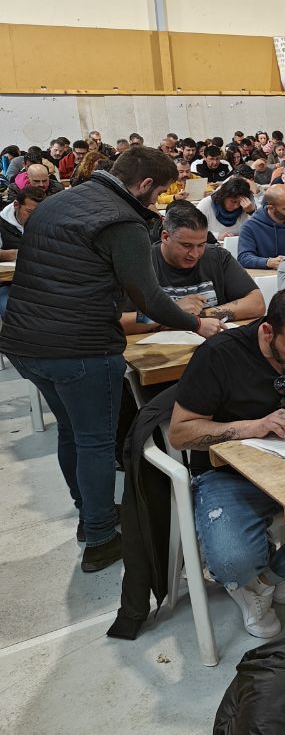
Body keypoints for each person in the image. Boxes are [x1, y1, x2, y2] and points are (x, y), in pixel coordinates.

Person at [0, 149, 221, 572]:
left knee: (72, 432)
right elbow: (149, 297)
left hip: (25, 342)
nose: (157, 203)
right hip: (79, 347)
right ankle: (101, 537)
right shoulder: (121, 220)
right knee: (96, 442)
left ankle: (90, 515)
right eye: (158, 193)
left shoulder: (61, 201)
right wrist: (196, 323)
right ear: (143, 186)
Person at [168, 288, 285, 638]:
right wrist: (252, 428)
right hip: (229, 473)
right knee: (231, 562)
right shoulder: (219, 355)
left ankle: (267, 578)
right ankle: (250, 568)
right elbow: (179, 433)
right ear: (267, 331)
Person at [121, 201, 264, 331]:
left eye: (201, 245)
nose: (195, 254)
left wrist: (199, 316)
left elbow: (257, 304)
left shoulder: (217, 257)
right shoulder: (140, 263)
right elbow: (119, 321)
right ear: (165, 237)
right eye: (186, 245)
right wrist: (173, 312)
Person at [237, 185, 285, 270]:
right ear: (271, 208)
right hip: (265, 278)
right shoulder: (250, 226)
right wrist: (268, 262)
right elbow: (244, 258)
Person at [0, 185, 42, 259]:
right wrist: (19, 253)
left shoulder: (47, 221)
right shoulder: (1, 224)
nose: (34, 216)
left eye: (38, 212)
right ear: (16, 205)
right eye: (29, 211)